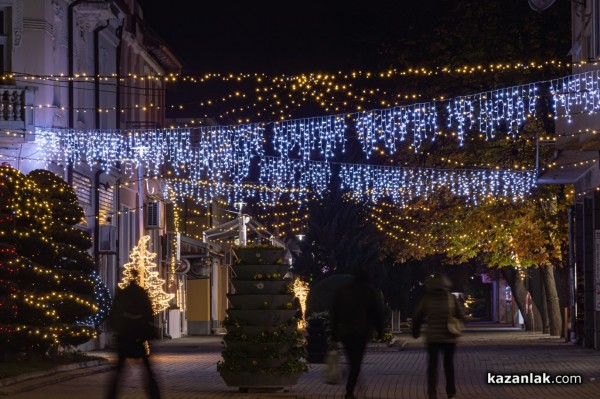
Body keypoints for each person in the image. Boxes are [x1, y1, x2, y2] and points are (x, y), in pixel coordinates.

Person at [105, 269, 160, 399]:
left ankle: (111, 396)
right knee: (148, 371)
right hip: (139, 339)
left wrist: (117, 330)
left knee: (118, 372)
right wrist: (147, 333)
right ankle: (155, 396)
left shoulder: (122, 294)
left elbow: (113, 316)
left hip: (124, 338)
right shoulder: (141, 293)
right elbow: (149, 314)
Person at [331, 269, 384, 399]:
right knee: (356, 363)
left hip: (345, 332)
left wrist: (334, 332)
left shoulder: (342, 290)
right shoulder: (368, 291)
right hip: (361, 332)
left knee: (351, 360)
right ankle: (349, 391)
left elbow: (335, 312)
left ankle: (350, 385)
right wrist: (380, 331)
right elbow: (375, 313)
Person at [412, 273, 464, 399]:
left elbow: (418, 316)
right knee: (448, 365)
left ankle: (432, 392)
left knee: (432, 367)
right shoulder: (451, 298)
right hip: (449, 337)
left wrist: (415, 332)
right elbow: (461, 315)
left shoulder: (427, 298)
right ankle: (450, 391)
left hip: (432, 338)